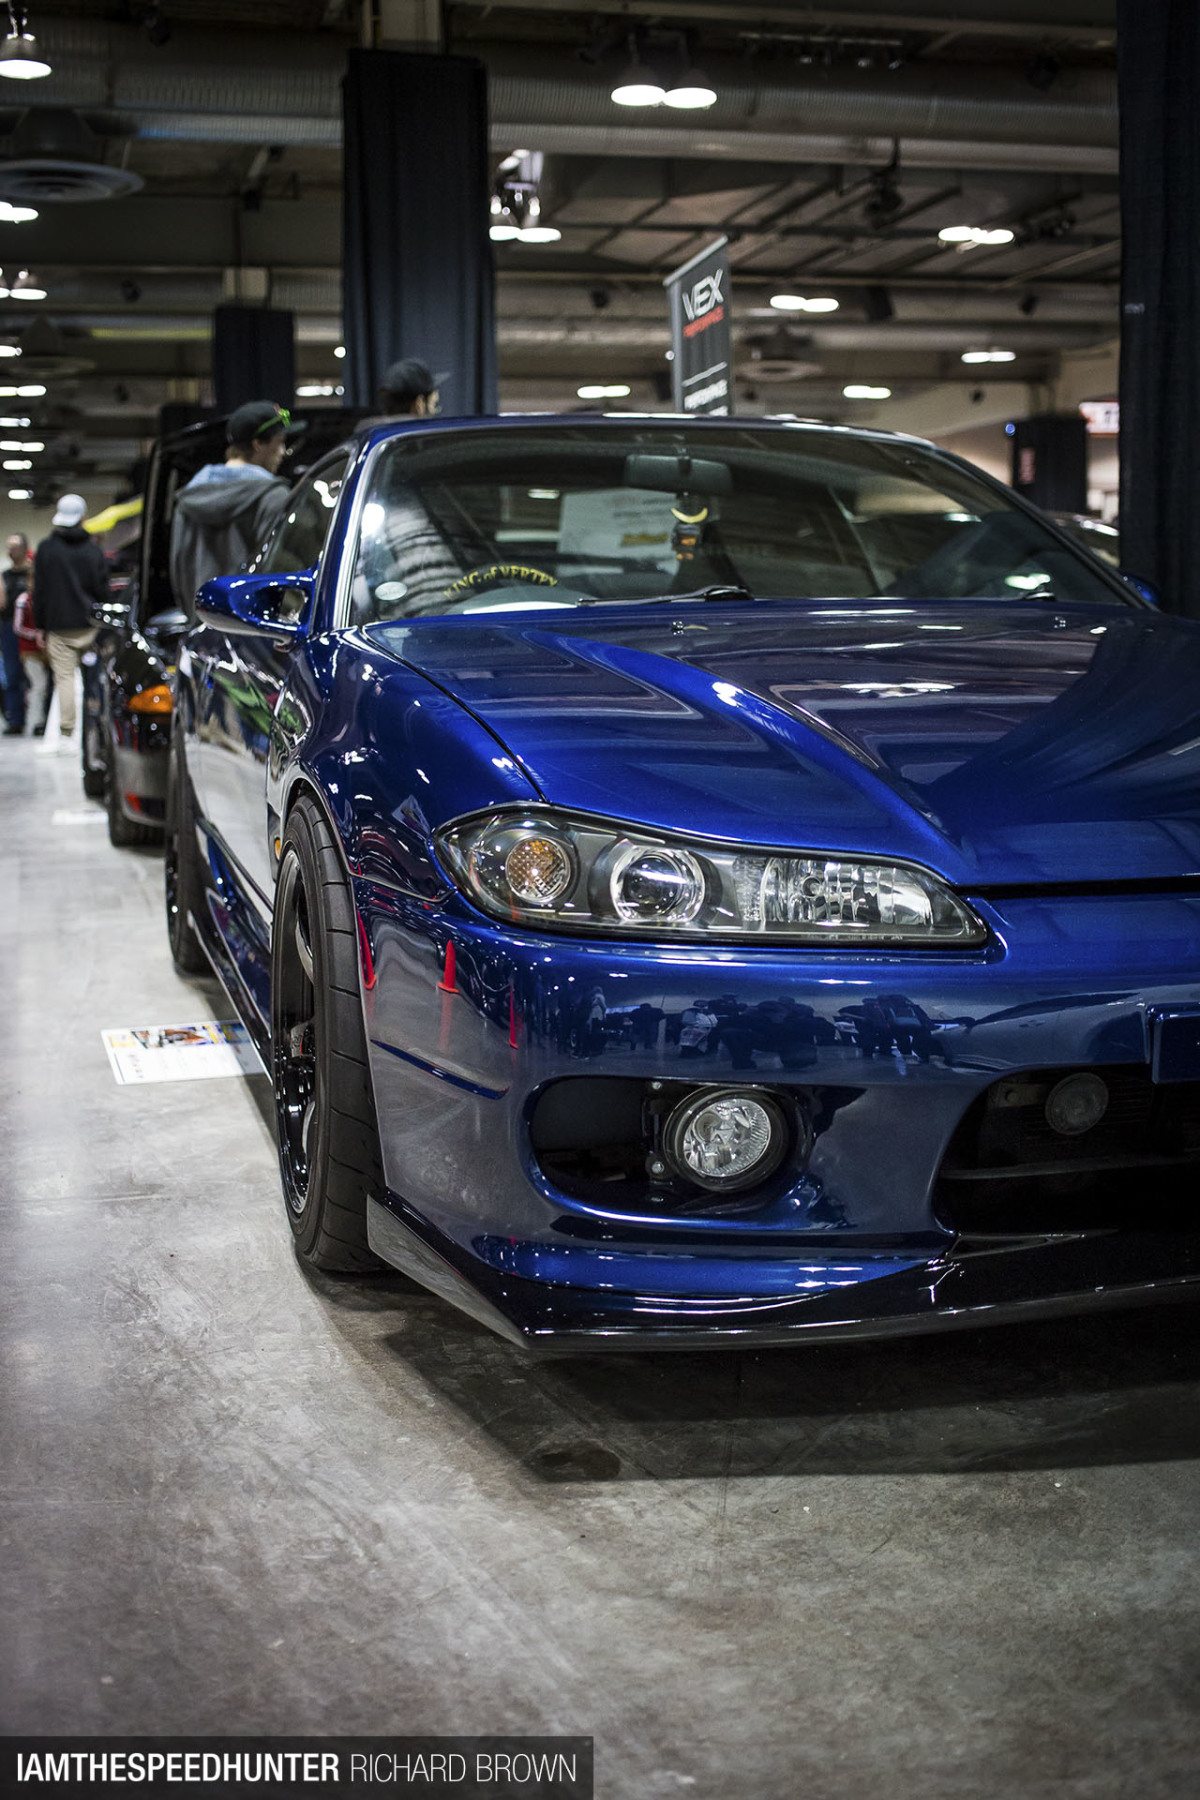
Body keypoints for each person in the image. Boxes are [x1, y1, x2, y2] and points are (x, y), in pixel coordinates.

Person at [168, 400, 300, 611]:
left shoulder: (190, 498)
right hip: (254, 630)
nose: (283, 452)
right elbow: (282, 572)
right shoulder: (272, 497)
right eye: (280, 442)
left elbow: (180, 568)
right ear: (258, 444)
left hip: (204, 626)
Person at [32, 495, 109, 746]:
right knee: (94, 678)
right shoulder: (93, 549)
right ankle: (95, 725)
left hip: (58, 625)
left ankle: (68, 731)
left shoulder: (46, 549)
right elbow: (102, 589)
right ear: (83, 517)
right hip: (90, 625)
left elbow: (39, 591)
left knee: (64, 679)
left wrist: (41, 625)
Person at [1, 530, 31, 734]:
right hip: (8, 628)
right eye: (8, 547)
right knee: (11, 675)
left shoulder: (33, 573)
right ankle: (15, 720)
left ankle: (41, 720)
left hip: (32, 630)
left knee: (37, 677)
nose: (10, 551)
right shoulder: (4, 576)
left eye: (14, 546)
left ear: (24, 549)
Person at [13, 585, 50, 735]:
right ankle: (36, 721)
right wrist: (36, 634)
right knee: (39, 685)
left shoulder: (50, 597)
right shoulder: (23, 600)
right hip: (29, 650)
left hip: (49, 649)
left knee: (49, 687)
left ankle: (47, 721)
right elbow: (17, 626)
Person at [377, 358, 447, 417]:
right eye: (434, 406)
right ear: (419, 405)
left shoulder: (370, 429)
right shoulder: (434, 432)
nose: (436, 411)